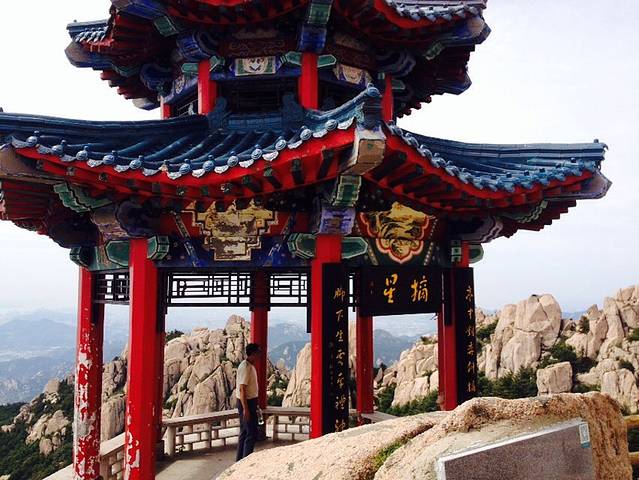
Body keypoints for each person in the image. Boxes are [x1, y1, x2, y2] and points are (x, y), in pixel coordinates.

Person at [236, 343, 261, 461]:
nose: (260, 355)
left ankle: (240, 460)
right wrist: (246, 409)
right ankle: (245, 461)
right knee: (251, 433)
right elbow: (242, 389)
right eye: (258, 352)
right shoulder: (245, 367)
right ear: (253, 354)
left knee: (245, 432)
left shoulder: (249, 366)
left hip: (250, 402)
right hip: (247, 403)